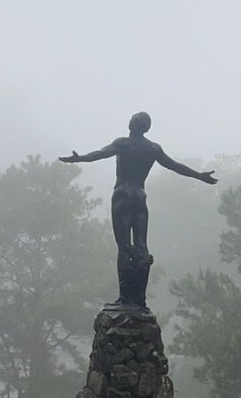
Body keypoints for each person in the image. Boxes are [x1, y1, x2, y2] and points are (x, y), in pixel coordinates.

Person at [60, 112, 216, 307]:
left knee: (124, 246)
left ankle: (125, 297)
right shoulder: (152, 148)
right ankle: (139, 298)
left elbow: (99, 154)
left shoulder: (122, 144)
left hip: (123, 195)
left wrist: (79, 158)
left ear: (131, 124)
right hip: (140, 196)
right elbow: (174, 166)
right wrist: (200, 176)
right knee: (141, 246)